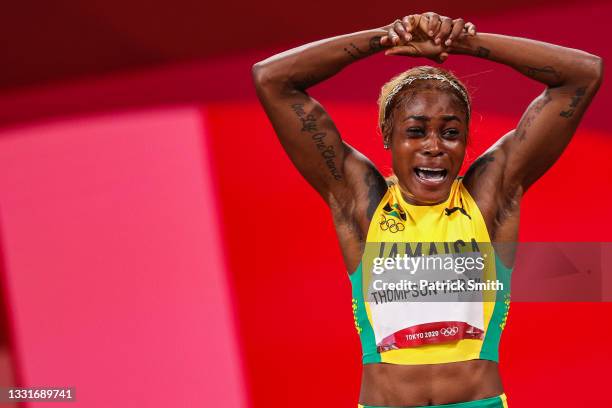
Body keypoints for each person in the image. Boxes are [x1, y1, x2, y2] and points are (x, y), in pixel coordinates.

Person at [251, 11, 603, 408]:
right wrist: (386, 38)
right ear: (388, 135)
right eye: (416, 131)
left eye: (451, 132)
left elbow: (583, 74)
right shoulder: (360, 204)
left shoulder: (490, 198)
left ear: (466, 139)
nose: (434, 146)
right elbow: (272, 79)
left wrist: (466, 44)